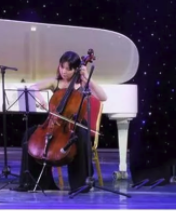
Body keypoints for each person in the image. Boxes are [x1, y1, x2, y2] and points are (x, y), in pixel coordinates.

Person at [13, 51, 107, 193]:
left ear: (76, 69)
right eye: (62, 67)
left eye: (69, 69)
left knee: (81, 137)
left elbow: (103, 97)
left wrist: (87, 77)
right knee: (29, 135)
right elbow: (33, 88)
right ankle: (31, 182)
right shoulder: (55, 82)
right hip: (54, 123)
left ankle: (80, 184)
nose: (64, 71)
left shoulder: (83, 83)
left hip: (75, 124)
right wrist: (42, 101)